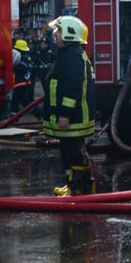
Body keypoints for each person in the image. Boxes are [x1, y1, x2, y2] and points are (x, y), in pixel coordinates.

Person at [43, 16, 97, 196]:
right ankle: (75, 185)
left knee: (74, 152)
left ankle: (78, 189)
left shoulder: (72, 57)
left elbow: (72, 89)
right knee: (71, 151)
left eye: (58, 31)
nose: (54, 35)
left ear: (69, 34)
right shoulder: (70, 54)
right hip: (75, 115)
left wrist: (65, 114)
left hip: (73, 117)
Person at [8, 38, 33, 114]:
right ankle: (38, 113)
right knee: (25, 103)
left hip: (21, 83)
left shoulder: (23, 58)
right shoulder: (26, 57)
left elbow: (20, 69)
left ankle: (13, 117)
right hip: (25, 82)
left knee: (15, 101)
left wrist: (13, 67)